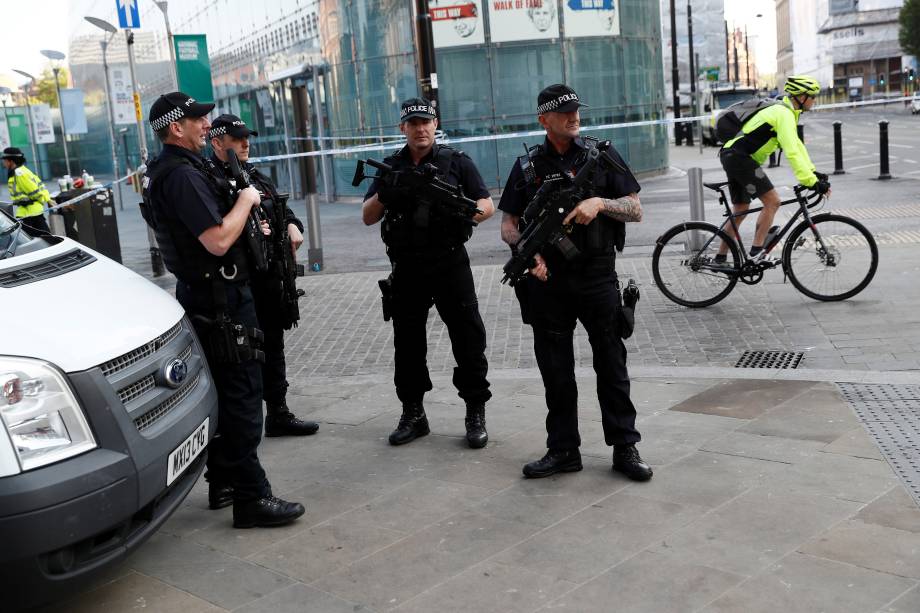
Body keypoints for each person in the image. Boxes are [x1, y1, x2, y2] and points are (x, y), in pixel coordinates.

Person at [142, 92, 304, 528]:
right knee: (243, 397)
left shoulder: (186, 170)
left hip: (217, 296)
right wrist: (247, 202)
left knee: (231, 393)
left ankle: (225, 484)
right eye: (198, 119)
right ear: (176, 127)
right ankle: (252, 496)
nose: (205, 124)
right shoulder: (180, 176)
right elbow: (216, 240)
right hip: (221, 301)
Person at [498, 84, 652, 481]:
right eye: (564, 112)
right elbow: (509, 225)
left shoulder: (601, 156)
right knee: (557, 372)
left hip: (598, 277)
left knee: (611, 365)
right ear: (543, 120)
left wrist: (599, 203)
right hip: (547, 282)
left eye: (575, 110)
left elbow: (635, 209)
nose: (573, 116)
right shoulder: (528, 168)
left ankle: (625, 447)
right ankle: (563, 449)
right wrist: (528, 255)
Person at [361, 97, 495, 449]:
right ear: (402, 128)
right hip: (407, 266)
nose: (421, 128)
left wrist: (465, 214)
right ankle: (413, 413)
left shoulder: (457, 163)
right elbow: (368, 215)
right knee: (407, 343)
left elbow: (486, 204)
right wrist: (387, 193)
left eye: (427, 121)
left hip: (450, 262)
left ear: (436, 124)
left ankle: (475, 411)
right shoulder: (391, 166)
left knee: (468, 338)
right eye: (413, 123)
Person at [207, 114, 320, 439]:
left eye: (247, 137)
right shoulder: (211, 181)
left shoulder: (255, 175)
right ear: (217, 142)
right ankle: (242, 425)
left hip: (270, 278)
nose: (246, 143)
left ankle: (279, 413)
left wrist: (292, 224)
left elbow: (283, 209)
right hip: (238, 281)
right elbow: (217, 230)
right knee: (244, 355)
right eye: (238, 139)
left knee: (274, 344)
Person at [716, 75, 830, 263]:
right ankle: (756, 252)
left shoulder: (785, 112)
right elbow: (792, 152)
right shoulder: (783, 113)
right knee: (773, 201)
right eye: (812, 96)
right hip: (740, 159)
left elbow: (797, 146)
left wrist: (813, 174)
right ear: (801, 96)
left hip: (734, 157)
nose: (814, 100)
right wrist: (810, 182)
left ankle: (720, 258)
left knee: (741, 209)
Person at [2, 147, 52, 236]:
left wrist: (43, 200)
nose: (3, 163)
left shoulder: (20, 174)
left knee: (44, 240)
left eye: (5, 160)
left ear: (11, 161)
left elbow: (35, 192)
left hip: (30, 213)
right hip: (27, 212)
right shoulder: (19, 172)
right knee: (42, 239)